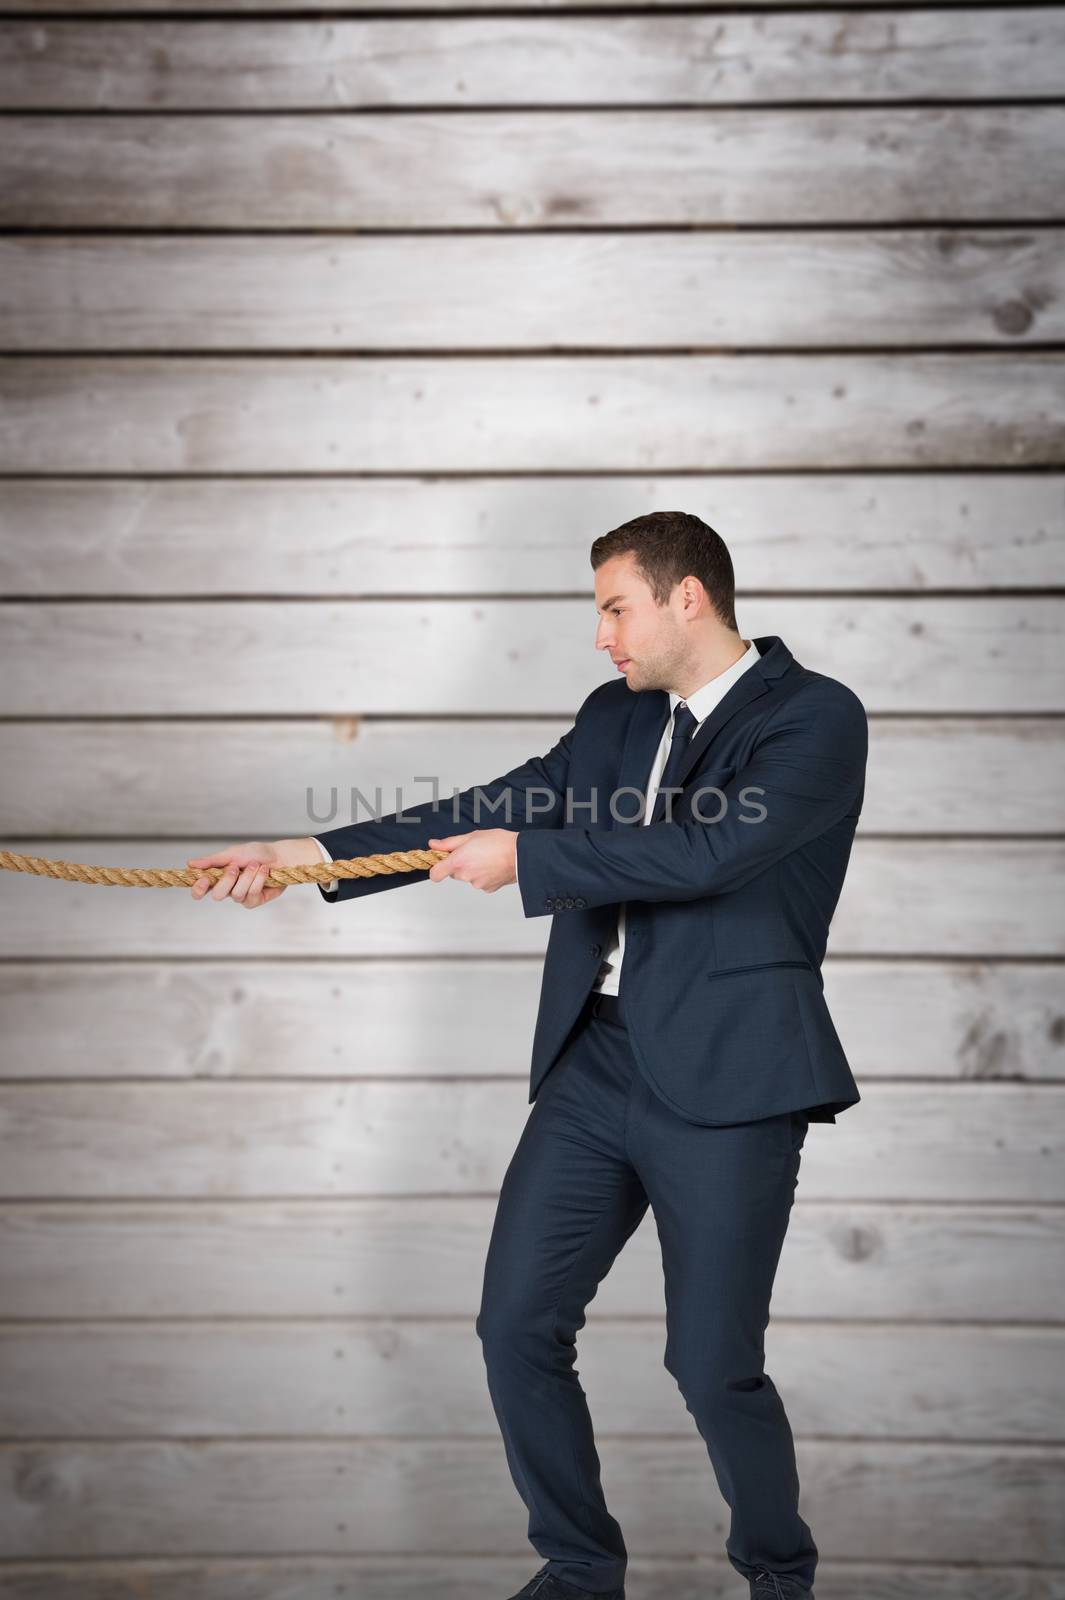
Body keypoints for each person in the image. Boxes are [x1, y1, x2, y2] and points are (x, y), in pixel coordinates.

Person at [188, 510, 868, 1600]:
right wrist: (299, 856)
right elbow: (497, 809)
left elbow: (711, 849)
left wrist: (536, 859)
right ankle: (581, 1571)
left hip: (734, 1084)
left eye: (615, 607)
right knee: (514, 1325)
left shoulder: (815, 718)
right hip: (597, 1067)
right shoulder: (614, 717)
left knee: (710, 1366)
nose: (603, 635)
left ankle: (780, 1578)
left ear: (685, 596)